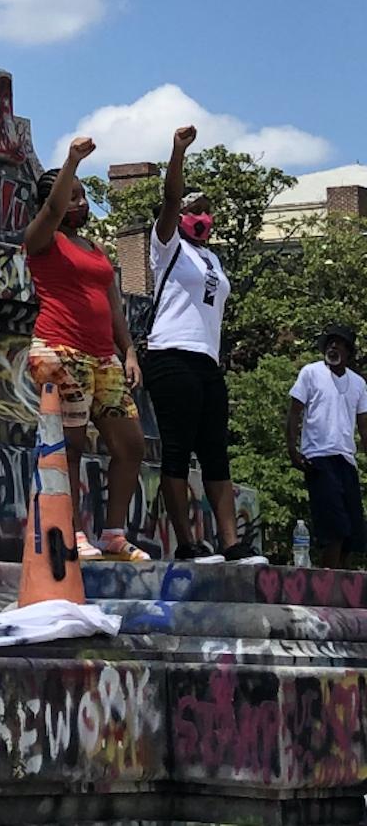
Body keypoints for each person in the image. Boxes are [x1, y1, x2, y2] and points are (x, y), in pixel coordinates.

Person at [142, 125, 266, 565]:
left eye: (208, 211)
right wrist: (177, 152)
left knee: (215, 450)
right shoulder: (168, 245)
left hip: (206, 359)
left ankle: (231, 543)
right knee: (177, 448)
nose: (202, 216)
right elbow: (171, 199)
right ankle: (188, 543)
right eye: (196, 209)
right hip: (170, 354)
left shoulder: (212, 257)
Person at [24, 138, 148, 561]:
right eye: (73, 195)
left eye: (83, 195)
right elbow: (53, 212)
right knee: (72, 445)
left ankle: (113, 533)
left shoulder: (94, 249)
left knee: (131, 444)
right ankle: (71, 531)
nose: (81, 203)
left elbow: (113, 302)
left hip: (101, 355)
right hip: (59, 348)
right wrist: (72, 160)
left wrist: (127, 351)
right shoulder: (42, 238)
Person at [287, 325, 367, 568]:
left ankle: (341, 582)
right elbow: (294, 413)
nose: (333, 347)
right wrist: (293, 450)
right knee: (334, 527)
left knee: (354, 532)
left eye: (339, 343)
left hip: (346, 459)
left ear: (348, 352)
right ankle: (328, 582)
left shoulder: (359, 383)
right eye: (329, 343)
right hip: (318, 457)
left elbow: (363, 425)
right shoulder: (311, 373)